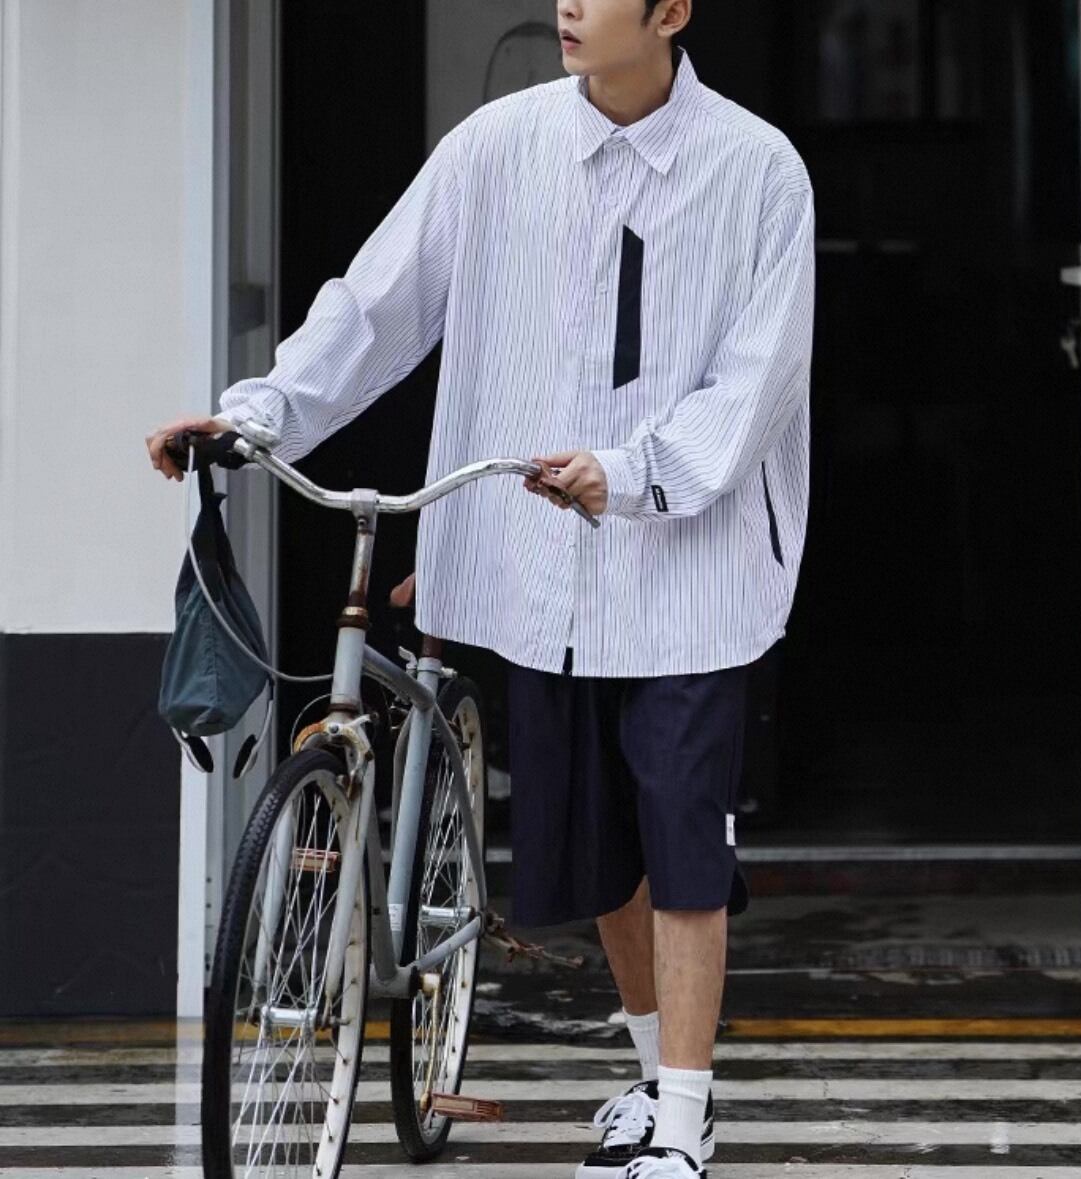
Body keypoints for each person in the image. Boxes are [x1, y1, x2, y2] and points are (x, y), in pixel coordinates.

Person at [146, 1, 814, 1174]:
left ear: (670, 12)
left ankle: (687, 1121)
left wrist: (630, 473)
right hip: (540, 571)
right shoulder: (495, 149)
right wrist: (257, 416)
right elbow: (374, 308)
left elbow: (759, 382)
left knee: (683, 850)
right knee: (604, 856)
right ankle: (654, 1080)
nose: (570, 6)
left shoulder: (758, 170)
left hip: (691, 571)